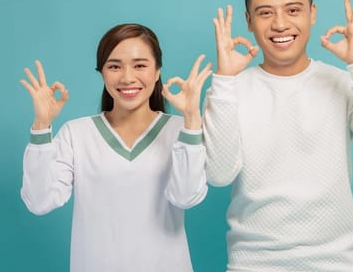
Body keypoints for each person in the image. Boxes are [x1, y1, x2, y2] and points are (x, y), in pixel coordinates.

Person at [204, 0, 353, 270]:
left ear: (312, 14)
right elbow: (217, 174)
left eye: (293, 10)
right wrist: (222, 81)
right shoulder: (229, 91)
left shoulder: (342, 83)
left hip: (337, 263)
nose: (280, 24)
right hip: (254, 264)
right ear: (249, 22)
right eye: (266, 13)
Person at [19, 23, 212, 272]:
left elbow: (186, 197)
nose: (127, 77)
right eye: (114, 66)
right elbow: (39, 201)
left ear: (157, 72)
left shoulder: (181, 130)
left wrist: (192, 121)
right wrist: (41, 125)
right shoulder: (77, 133)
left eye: (140, 65)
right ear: (102, 73)